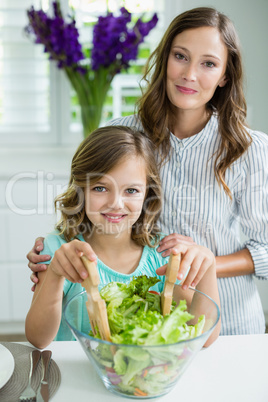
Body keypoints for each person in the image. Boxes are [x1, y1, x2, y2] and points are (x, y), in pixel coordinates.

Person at [27, 7, 268, 336]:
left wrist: (198, 264)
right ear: (164, 58)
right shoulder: (123, 134)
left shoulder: (251, 148)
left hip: (228, 323)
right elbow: (90, 206)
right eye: (180, 56)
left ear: (225, 74)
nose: (189, 75)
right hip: (145, 322)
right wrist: (56, 258)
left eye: (209, 63)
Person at [25, 126, 220, 349]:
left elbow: (204, 337)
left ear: (148, 193)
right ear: (80, 189)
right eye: (100, 188)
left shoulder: (163, 253)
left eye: (131, 191)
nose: (116, 203)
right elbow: (38, 338)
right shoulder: (60, 250)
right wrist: (55, 274)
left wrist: (208, 266)